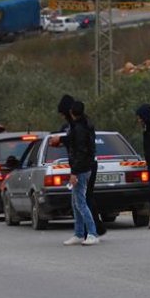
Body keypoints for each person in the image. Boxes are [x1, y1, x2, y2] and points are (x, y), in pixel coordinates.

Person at [55, 95, 106, 236]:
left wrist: (74, 171)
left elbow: (80, 146)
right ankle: (88, 230)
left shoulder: (79, 126)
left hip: (83, 166)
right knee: (81, 200)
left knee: (83, 200)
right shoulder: (77, 125)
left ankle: (91, 231)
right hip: (82, 165)